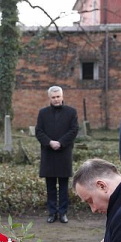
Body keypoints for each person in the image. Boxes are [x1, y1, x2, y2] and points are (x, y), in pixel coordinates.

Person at [35, 85, 79, 223]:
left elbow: (74, 130)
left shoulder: (71, 112)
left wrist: (60, 142)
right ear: (49, 98)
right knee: (50, 186)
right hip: (48, 154)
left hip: (64, 153)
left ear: (62, 96)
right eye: (53, 97)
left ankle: (63, 213)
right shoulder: (43, 113)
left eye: (58, 97)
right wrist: (49, 142)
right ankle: (52, 213)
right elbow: (39, 131)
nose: (56, 99)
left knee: (64, 186)